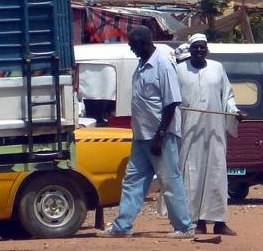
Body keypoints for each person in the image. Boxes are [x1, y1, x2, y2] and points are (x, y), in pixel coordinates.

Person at [96, 25, 195, 239]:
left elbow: (172, 103)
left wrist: (159, 136)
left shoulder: (163, 65)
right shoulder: (141, 65)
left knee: (170, 181)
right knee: (132, 180)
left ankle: (184, 227)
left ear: (143, 42)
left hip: (161, 136)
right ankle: (122, 226)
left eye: (132, 45)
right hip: (141, 136)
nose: (131, 49)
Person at [176, 33, 246, 236]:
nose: (199, 50)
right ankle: (196, 221)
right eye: (195, 47)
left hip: (214, 131)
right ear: (190, 49)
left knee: (216, 175)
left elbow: (228, 96)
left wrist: (235, 113)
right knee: (192, 175)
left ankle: (219, 222)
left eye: (202, 47)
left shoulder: (217, 68)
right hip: (189, 132)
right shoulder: (180, 70)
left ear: (207, 49)